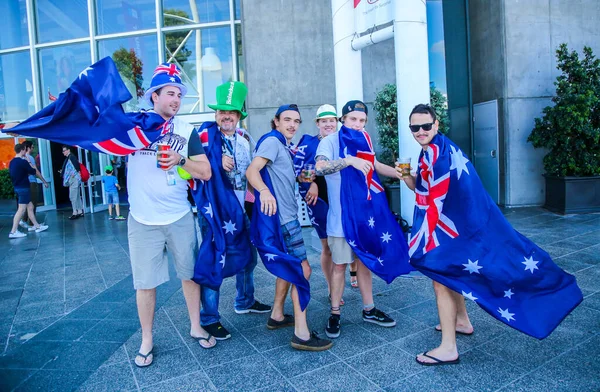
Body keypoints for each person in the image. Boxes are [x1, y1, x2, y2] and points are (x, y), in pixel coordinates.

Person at [400, 104, 582, 366]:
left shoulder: (438, 154)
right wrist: (407, 176)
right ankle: (461, 320)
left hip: (462, 229)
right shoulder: (429, 151)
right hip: (460, 227)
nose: (420, 131)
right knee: (452, 272)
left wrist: (421, 244)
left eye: (425, 126)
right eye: (414, 127)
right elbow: (424, 189)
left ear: (436, 124)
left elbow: (435, 203)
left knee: (440, 275)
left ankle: (448, 348)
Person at [128, 63, 215, 367]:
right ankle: (147, 339)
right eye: (170, 93)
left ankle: (195, 325)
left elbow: (205, 171)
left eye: (179, 94)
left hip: (178, 216)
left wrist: (181, 159)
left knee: (189, 275)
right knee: (145, 283)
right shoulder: (133, 127)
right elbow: (96, 135)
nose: (176, 99)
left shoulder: (186, 130)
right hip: (142, 219)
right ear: (154, 96)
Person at [246, 104, 332, 351]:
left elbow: (285, 175)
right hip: (285, 219)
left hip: (286, 216)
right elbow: (253, 171)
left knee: (289, 267)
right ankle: (302, 333)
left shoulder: (284, 144)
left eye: (296, 120)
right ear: (276, 121)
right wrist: (264, 191)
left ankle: (277, 315)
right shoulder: (273, 141)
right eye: (287, 120)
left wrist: (307, 181)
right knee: (303, 271)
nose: (292, 124)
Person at [315, 100, 403, 339]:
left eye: (362, 120)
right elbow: (319, 167)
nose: (358, 124)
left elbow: (373, 164)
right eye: (353, 119)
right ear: (343, 119)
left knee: (364, 263)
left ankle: (369, 309)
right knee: (340, 266)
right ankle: (335, 313)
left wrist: (398, 173)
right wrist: (348, 161)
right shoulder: (330, 140)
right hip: (341, 219)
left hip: (364, 217)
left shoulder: (364, 138)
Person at [198, 81, 271, 340]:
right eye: (221, 111)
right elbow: (187, 168)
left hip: (242, 210)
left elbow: (253, 172)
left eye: (230, 112)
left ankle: (245, 300)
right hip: (216, 212)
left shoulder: (245, 138)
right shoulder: (204, 137)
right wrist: (214, 160)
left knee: (248, 259)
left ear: (240, 114)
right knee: (214, 262)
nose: (225, 116)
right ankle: (209, 318)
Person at [293, 105, 359, 307]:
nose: (328, 124)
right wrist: (310, 183)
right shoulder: (309, 143)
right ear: (317, 123)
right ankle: (333, 290)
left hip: (345, 199)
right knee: (327, 247)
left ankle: (353, 273)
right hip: (321, 200)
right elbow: (299, 172)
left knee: (353, 240)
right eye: (324, 121)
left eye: (332, 120)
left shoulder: (344, 141)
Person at [8, 144, 49, 238]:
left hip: (18, 187)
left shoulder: (12, 162)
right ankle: (13, 231)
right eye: (24, 151)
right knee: (21, 209)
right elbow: (33, 171)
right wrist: (29, 161)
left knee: (30, 206)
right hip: (24, 188)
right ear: (22, 150)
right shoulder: (23, 162)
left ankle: (37, 226)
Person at [21, 140, 49, 229]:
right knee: (33, 204)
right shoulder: (29, 157)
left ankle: (27, 222)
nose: (33, 149)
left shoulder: (20, 158)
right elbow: (35, 171)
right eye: (32, 147)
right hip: (31, 182)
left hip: (24, 184)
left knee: (28, 204)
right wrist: (44, 181)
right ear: (28, 148)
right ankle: (31, 223)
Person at [60, 145, 84, 219]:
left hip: (73, 180)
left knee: (73, 196)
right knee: (76, 196)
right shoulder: (71, 157)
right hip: (74, 179)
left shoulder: (71, 158)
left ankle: (75, 212)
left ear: (68, 150)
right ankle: (79, 211)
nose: (63, 152)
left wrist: (71, 175)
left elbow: (75, 169)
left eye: (64, 150)